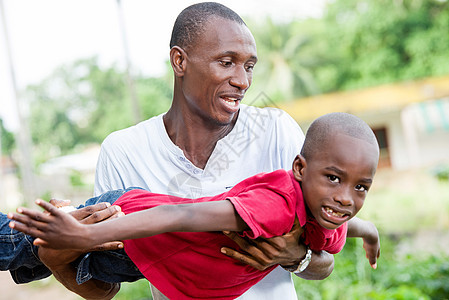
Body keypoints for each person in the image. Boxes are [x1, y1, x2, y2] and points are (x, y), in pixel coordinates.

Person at [6, 2, 379, 299]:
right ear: (180, 61)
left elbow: (324, 255)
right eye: (227, 62)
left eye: (249, 66)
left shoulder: (275, 130)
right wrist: (58, 262)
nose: (244, 80)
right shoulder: (124, 150)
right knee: (32, 239)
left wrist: (295, 258)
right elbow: (103, 287)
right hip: (142, 239)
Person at [9, 112, 381, 300]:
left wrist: (371, 233)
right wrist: (80, 233)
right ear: (180, 60)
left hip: (154, 254)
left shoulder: (324, 202)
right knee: (18, 243)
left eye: (361, 187)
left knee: (30, 245)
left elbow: (339, 235)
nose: (347, 197)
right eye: (226, 62)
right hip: (131, 237)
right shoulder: (277, 204)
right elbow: (177, 215)